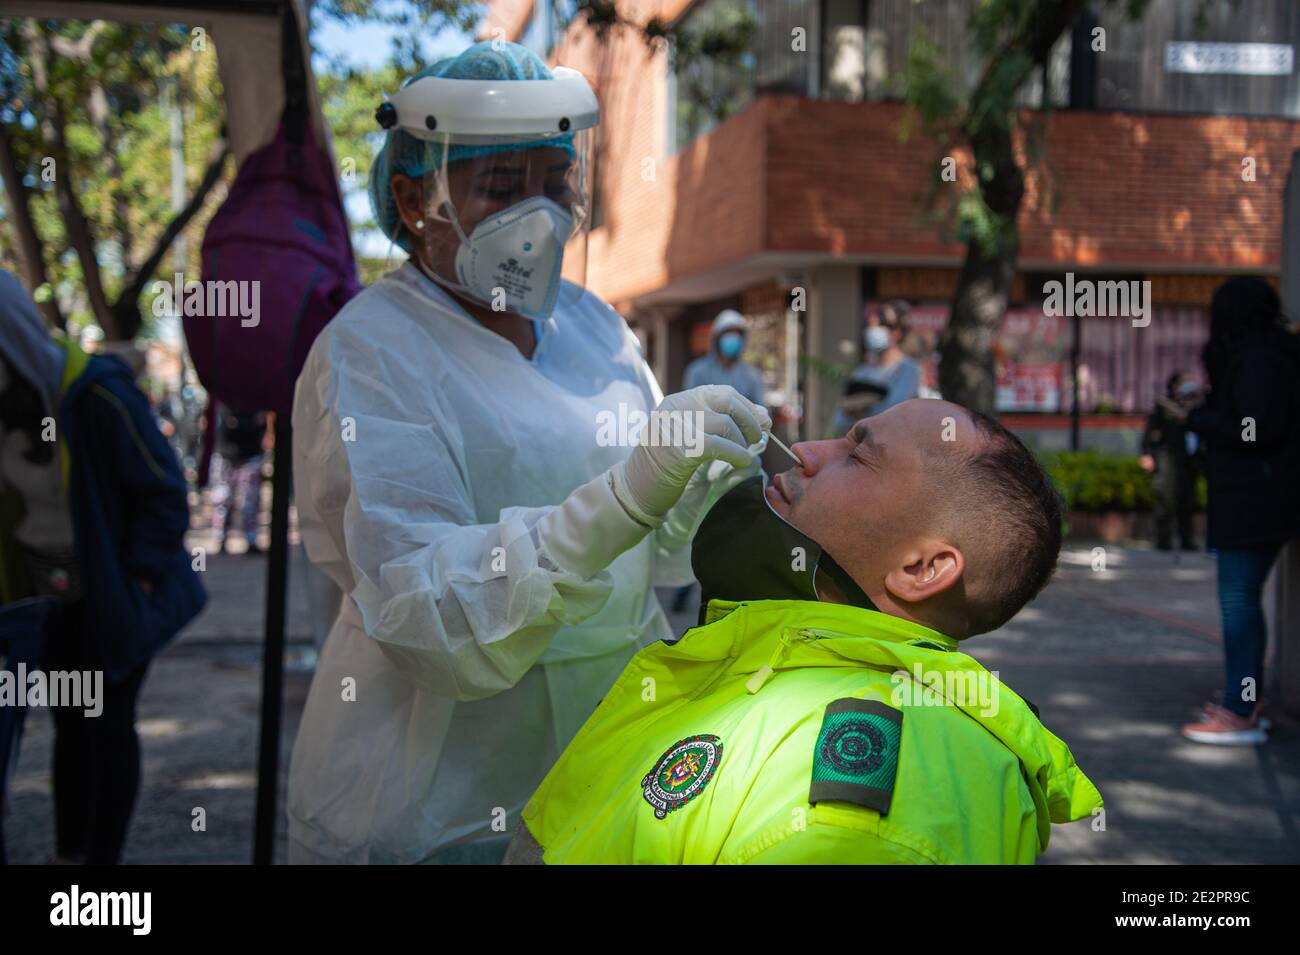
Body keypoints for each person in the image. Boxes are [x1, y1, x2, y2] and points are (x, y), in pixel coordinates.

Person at [287, 41, 771, 864]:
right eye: (503, 188)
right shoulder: (371, 351)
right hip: (438, 789)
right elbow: (428, 614)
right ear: (414, 199)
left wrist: (697, 485)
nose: (541, 215)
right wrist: (616, 504)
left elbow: (656, 563)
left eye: (558, 182)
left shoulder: (593, 325)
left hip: (609, 759)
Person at [506, 399, 1102, 864]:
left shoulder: (877, 799)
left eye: (859, 455)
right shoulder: (755, 664)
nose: (804, 451)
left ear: (922, 569)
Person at [0, 270, 205, 864]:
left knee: (108, 726)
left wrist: (135, 580)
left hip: (112, 599)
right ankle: (71, 857)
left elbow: (165, 494)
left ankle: (99, 867)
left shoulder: (98, 395)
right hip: (49, 601)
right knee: (71, 724)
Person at [1181, 277, 1300, 745]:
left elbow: (1254, 430)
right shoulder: (1272, 352)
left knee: (1238, 602)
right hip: (1263, 496)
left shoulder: (1258, 358)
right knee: (1243, 601)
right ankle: (1242, 699)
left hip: (1255, 499)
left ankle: (1239, 711)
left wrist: (1195, 418)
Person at [673, 309, 766, 613]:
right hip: (702, 459)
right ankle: (683, 584)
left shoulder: (750, 376)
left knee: (733, 524)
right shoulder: (698, 371)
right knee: (695, 524)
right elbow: (689, 412)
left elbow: (761, 420)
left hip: (738, 461)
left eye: (738, 335)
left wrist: (752, 450)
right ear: (716, 339)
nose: (733, 341)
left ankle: (725, 590)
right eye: (728, 335)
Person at [832, 300, 922, 433]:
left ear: (897, 332)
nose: (873, 328)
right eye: (871, 324)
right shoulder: (861, 373)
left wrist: (862, 411)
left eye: (882, 323)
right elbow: (840, 420)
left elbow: (892, 415)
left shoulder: (908, 370)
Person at [1139, 371, 1201, 551]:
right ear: (1173, 386)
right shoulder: (1164, 407)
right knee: (1165, 497)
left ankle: (1186, 539)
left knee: (1187, 498)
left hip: (1188, 459)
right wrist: (1147, 454)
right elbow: (1149, 432)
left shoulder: (1196, 406)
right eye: (1184, 383)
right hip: (1167, 456)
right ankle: (1163, 540)